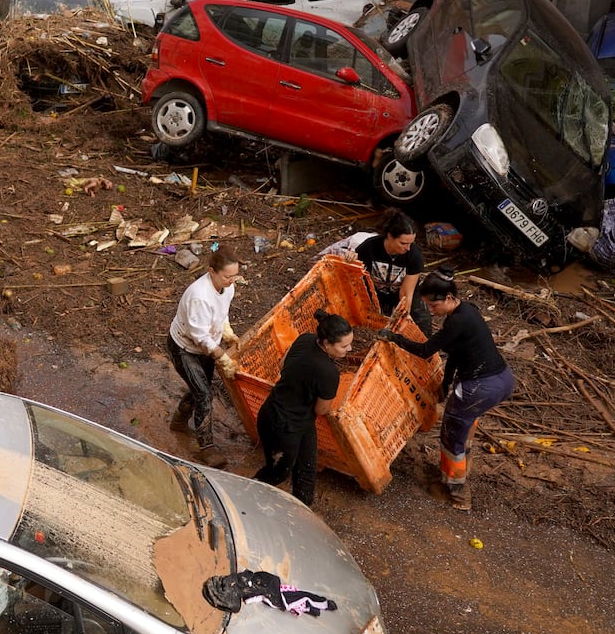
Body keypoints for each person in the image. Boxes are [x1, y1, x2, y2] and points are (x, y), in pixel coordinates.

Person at [383, 271, 513, 511]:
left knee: (452, 433)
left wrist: (394, 338)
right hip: (502, 379)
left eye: (434, 304)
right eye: (427, 305)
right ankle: (462, 466)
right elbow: (455, 352)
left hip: (479, 387)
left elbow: (425, 350)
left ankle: (457, 491)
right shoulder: (468, 310)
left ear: (450, 297)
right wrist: (445, 383)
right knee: (465, 423)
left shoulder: (456, 322)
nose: (431, 310)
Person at [253, 310, 352, 507]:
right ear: (326, 344)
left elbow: (282, 365)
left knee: (307, 466)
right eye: (344, 346)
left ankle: (303, 507)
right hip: (283, 426)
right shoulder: (329, 372)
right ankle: (247, 496)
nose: (349, 349)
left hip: (284, 413)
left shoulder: (305, 339)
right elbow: (322, 410)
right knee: (278, 473)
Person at [167, 250, 240, 468]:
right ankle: (206, 448)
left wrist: (227, 331)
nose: (232, 280)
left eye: (235, 275)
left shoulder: (227, 286)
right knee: (204, 395)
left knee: (201, 387)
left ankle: (179, 421)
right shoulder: (199, 296)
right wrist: (222, 357)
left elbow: (223, 311)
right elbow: (199, 337)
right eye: (228, 276)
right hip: (185, 348)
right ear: (211, 272)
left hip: (207, 345)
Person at [330, 209, 432, 335]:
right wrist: (351, 259)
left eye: (411, 243)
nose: (408, 248)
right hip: (376, 293)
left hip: (401, 294)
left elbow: (406, 293)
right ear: (390, 236)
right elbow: (353, 274)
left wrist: (402, 317)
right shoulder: (369, 247)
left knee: (422, 324)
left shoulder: (414, 255)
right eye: (403, 243)